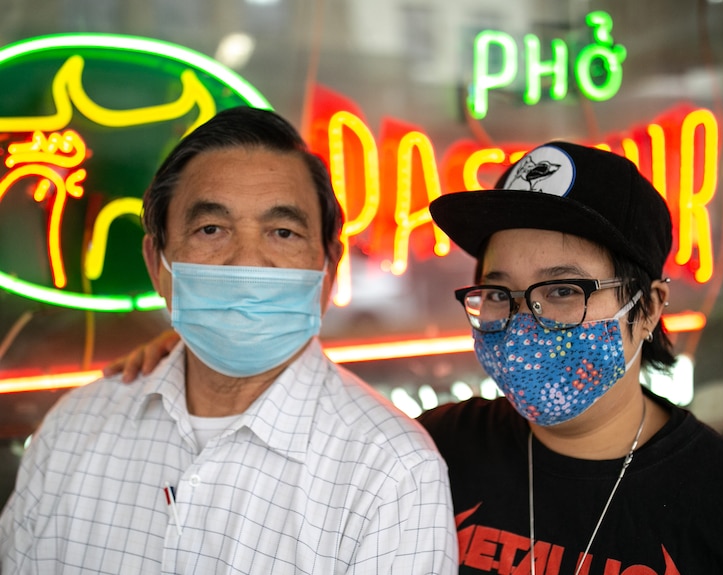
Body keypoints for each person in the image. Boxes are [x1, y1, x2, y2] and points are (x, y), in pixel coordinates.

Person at [97, 141, 723, 573]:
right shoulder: (436, 451)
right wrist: (207, 351)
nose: (522, 324)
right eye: (499, 294)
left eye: (563, 292)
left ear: (646, 308)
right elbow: (299, 423)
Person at [0, 107, 457, 574]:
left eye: (283, 232)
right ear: (157, 264)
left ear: (328, 270)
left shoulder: (392, 473)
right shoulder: (76, 428)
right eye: (211, 230)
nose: (247, 264)